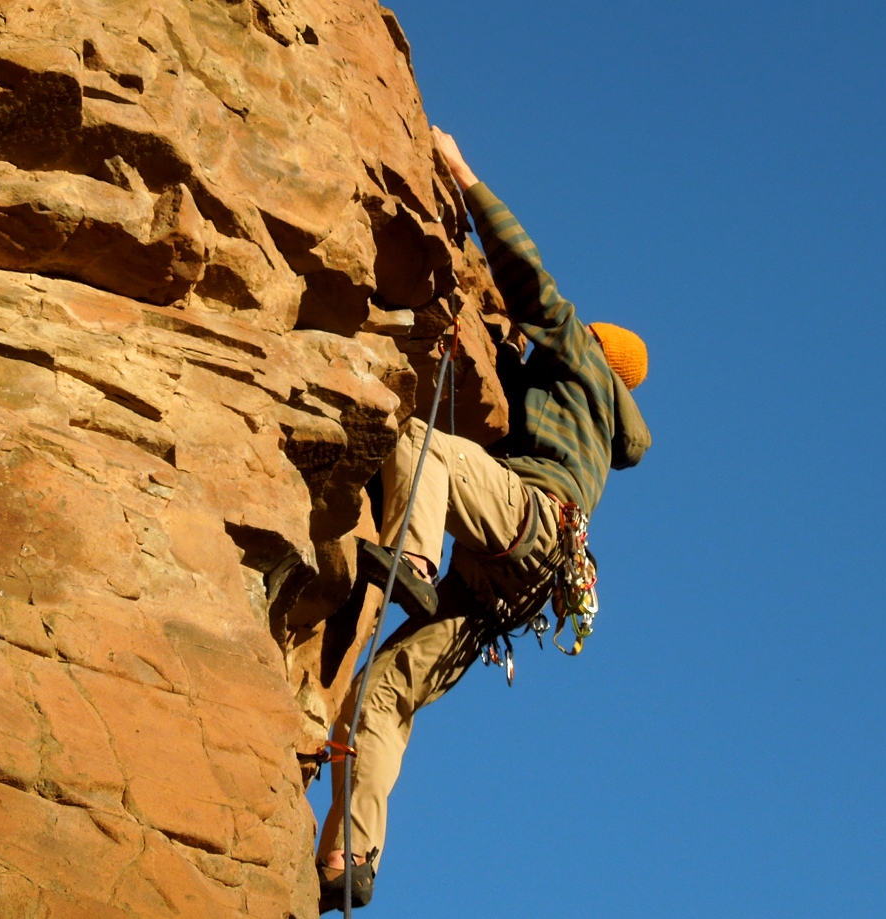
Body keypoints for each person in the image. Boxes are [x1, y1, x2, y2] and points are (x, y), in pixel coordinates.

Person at [315, 127, 653, 912]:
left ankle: (417, 563)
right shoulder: (604, 426)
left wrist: (465, 176)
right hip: (525, 586)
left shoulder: (581, 360)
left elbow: (533, 284)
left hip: (527, 517)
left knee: (422, 445)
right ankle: (350, 853)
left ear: (597, 353)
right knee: (385, 690)